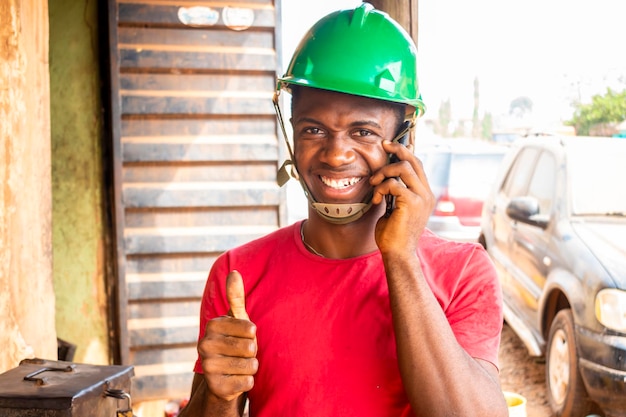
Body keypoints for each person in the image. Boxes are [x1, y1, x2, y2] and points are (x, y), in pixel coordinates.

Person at [179, 3, 508, 417]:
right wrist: (218, 396)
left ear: (402, 139)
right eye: (313, 129)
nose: (335, 155)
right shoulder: (238, 275)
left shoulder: (463, 273)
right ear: (291, 133)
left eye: (363, 132)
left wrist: (402, 259)